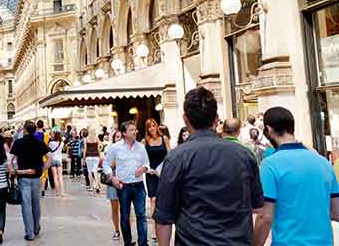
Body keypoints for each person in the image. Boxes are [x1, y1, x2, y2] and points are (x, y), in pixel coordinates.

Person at [154, 87, 264, 246]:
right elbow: (257, 208)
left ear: (185, 119)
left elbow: (164, 219)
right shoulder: (244, 155)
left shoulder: (176, 158)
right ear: (216, 119)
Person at [253, 106, 339, 246]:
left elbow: (265, 217)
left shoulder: (270, 165)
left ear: (269, 130)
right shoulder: (323, 162)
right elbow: (336, 212)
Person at [103, 121, 150, 246]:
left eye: (135, 129)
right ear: (124, 133)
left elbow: (147, 163)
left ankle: (143, 243)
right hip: (123, 187)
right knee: (125, 216)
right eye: (131, 130)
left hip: (139, 186)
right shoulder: (116, 147)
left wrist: (144, 168)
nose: (135, 132)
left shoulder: (141, 147)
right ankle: (128, 243)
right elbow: (106, 164)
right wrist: (112, 178)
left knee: (141, 215)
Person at [10, 121, 52, 241]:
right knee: (36, 203)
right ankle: (36, 227)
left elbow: (10, 158)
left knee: (26, 205)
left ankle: (30, 233)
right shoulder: (40, 143)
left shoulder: (18, 142)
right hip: (36, 177)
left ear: (25, 130)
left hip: (23, 178)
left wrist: (13, 170)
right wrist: (43, 169)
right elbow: (50, 157)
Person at [143, 118, 170, 218]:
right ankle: (155, 222)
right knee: (153, 198)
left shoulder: (164, 138)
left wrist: (162, 168)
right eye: (149, 127)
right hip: (151, 172)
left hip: (162, 172)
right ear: (147, 129)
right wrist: (148, 169)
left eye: (153, 125)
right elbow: (141, 157)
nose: (152, 128)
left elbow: (170, 155)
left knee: (162, 197)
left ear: (157, 126)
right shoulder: (145, 141)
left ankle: (162, 219)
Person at [104, 129, 123, 241]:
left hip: (125, 181)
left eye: (121, 137)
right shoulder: (110, 149)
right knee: (115, 208)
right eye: (117, 137)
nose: (119, 139)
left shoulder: (127, 150)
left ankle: (126, 231)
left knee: (126, 208)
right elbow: (107, 164)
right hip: (112, 180)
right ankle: (117, 230)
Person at [83, 128, 102, 194]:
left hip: (88, 157)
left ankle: (91, 187)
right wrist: (100, 156)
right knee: (95, 171)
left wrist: (83, 158)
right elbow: (98, 148)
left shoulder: (86, 139)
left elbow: (85, 149)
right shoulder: (97, 138)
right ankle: (97, 186)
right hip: (96, 156)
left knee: (90, 172)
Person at [48, 130, 65, 197]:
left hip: (53, 160)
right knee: (60, 177)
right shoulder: (62, 143)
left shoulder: (51, 143)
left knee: (55, 177)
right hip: (59, 160)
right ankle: (62, 192)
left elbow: (49, 150)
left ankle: (57, 193)